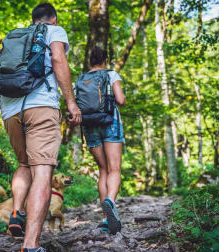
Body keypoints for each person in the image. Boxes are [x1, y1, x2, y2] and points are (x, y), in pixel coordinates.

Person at [0, 3, 81, 252]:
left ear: (32, 19)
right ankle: (30, 245)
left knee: (24, 165)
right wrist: (71, 102)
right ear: (53, 19)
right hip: (41, 106)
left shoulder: (14, 37)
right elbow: (58, 58)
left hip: (10, 111)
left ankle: (16, 211)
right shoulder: (54, 31)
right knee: (43, 172)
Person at [82, 46, 126, 234]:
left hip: (90, 125)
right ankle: (110, 201)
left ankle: (106, 217)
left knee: (103, 170)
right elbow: (121, 100)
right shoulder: (111, 74)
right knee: (114, 168)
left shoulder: (82, 78)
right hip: (110, 122)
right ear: (105, 60)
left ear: (90, 61)